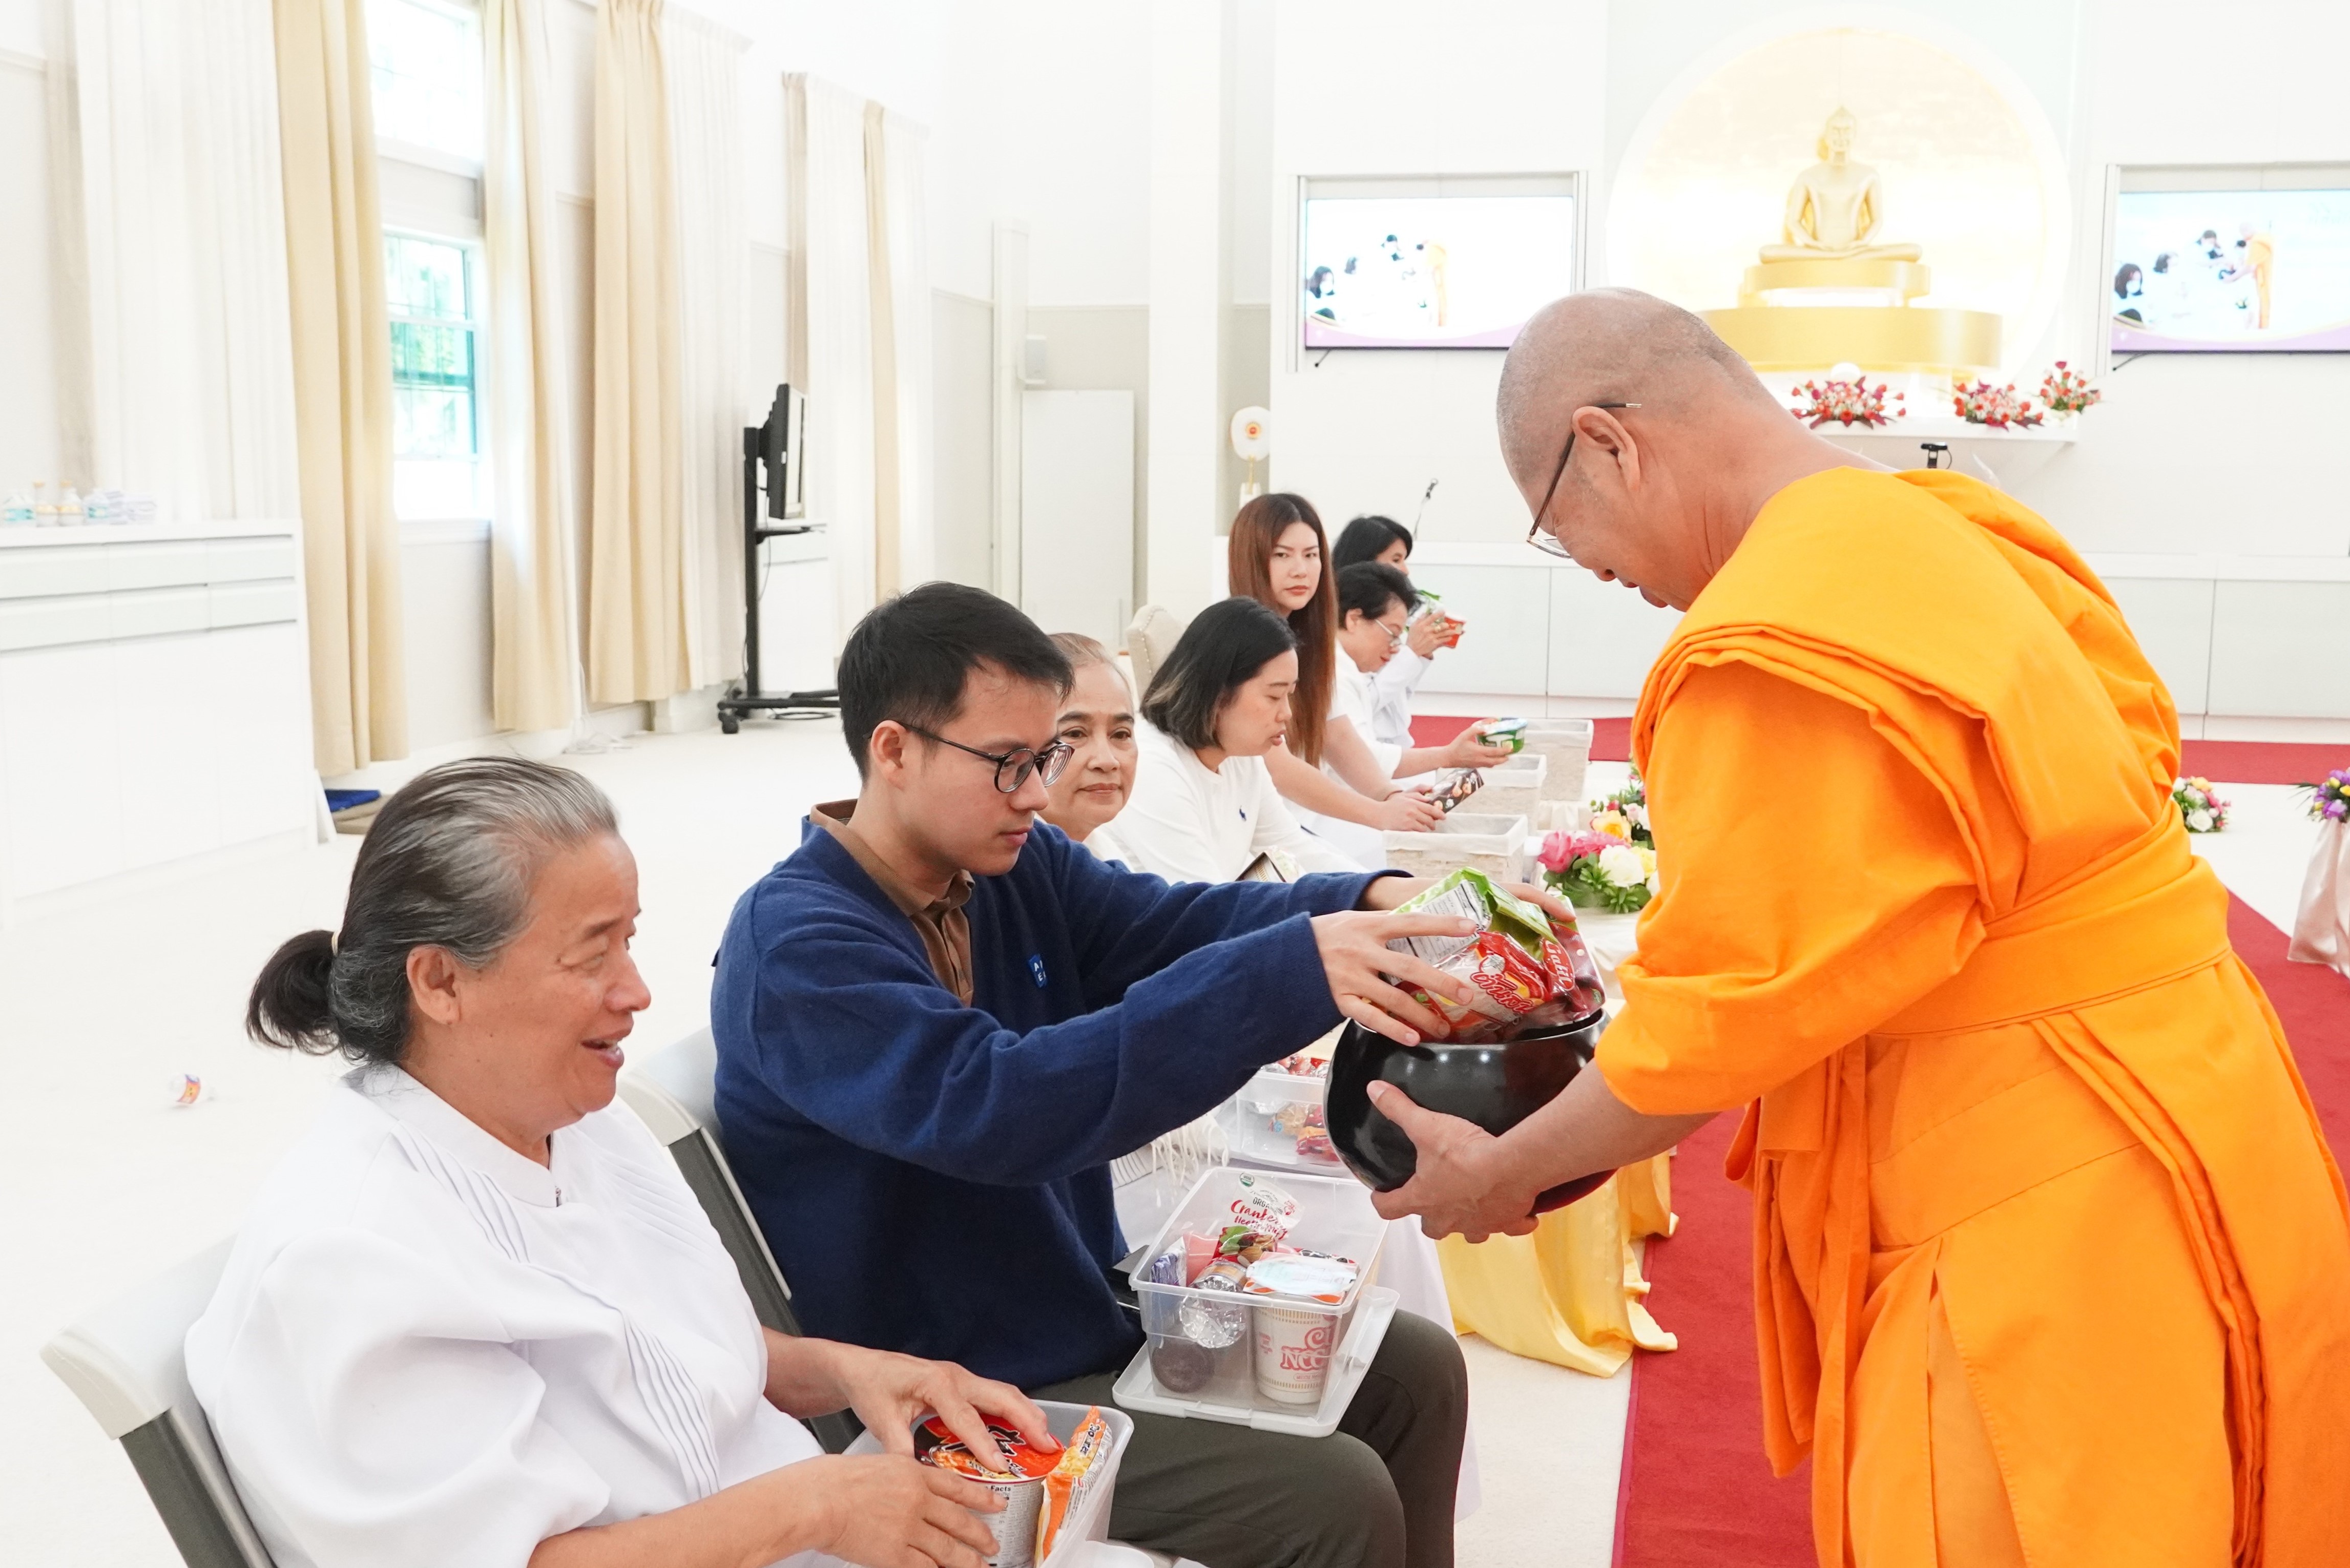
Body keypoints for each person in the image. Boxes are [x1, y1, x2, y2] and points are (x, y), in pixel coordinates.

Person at [1364, 289, 2350, 1567]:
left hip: (2045, 1199)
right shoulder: (1965, 535)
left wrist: (1503, 1173)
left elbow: (1712, 1029)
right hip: (2210, 1101)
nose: (1612, 581)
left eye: (1568, 536)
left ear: (1608, 442)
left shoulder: (1773, 636)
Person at [709, 583, 1501, 1568]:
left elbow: (1170, 923)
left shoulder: (1009, 864)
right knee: (1329, 1502)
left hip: (1066, 1307)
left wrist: (1363, 898)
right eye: (1009, 763)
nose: (1039, 793)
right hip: (954, 1383)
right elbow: (999, 1105)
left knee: (1412, 1368)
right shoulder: (800, 944)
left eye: (1041, 759)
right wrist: (1294, 965)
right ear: (894, 750)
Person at [188, 758, 1038, 1568]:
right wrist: (815, 1504)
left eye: (628, 943)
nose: (636, 991)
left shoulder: (579, 1120)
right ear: (442, 981)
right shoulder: (355, 1256)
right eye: (593, 955)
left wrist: (857, 1371)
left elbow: (665, 1360)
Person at [1226, 493, 1443, 863]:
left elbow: (1338, 734)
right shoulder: (1238, 637)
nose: (1301, 570)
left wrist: (1387, 795)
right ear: (1252, 557)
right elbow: (1276, 766)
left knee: (1417, 844)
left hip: (1295, 817)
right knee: (1395, 861)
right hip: (1255, 826)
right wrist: (1379, 812)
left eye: (1311, 555)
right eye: (1282, 555)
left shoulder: (1307, 639)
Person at [1103, 597, 1362, 884]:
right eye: (1274, 696)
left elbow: (1293, 848)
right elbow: (1206, 903)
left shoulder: (1242, 757)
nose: (1286, 714)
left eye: (1289, 695)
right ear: (1216, 692)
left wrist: (1381, 886)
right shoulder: (1152, 767)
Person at [1333, 561, 1504, 778]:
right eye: (1395, 559)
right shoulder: (1334, 674)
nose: (1404, 569)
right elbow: (1362, 759)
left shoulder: (1344, 664)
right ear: (1354, 618)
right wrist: (1447, 756)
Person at [1330, 516, 1457, 751]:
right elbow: (1363, 702)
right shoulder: (1348, 630)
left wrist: (1422, 654)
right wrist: (1411, 653)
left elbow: (1398, 697)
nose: (1405, 570)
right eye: (1396, 559)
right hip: (1370, 751)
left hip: (1393, 747)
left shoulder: (1380, 618)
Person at [1036, 632, 1138, 860]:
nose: (1107, 761)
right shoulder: (1004, 874)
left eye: (1121, 735)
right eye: (1075, 733)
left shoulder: (1104, 854)